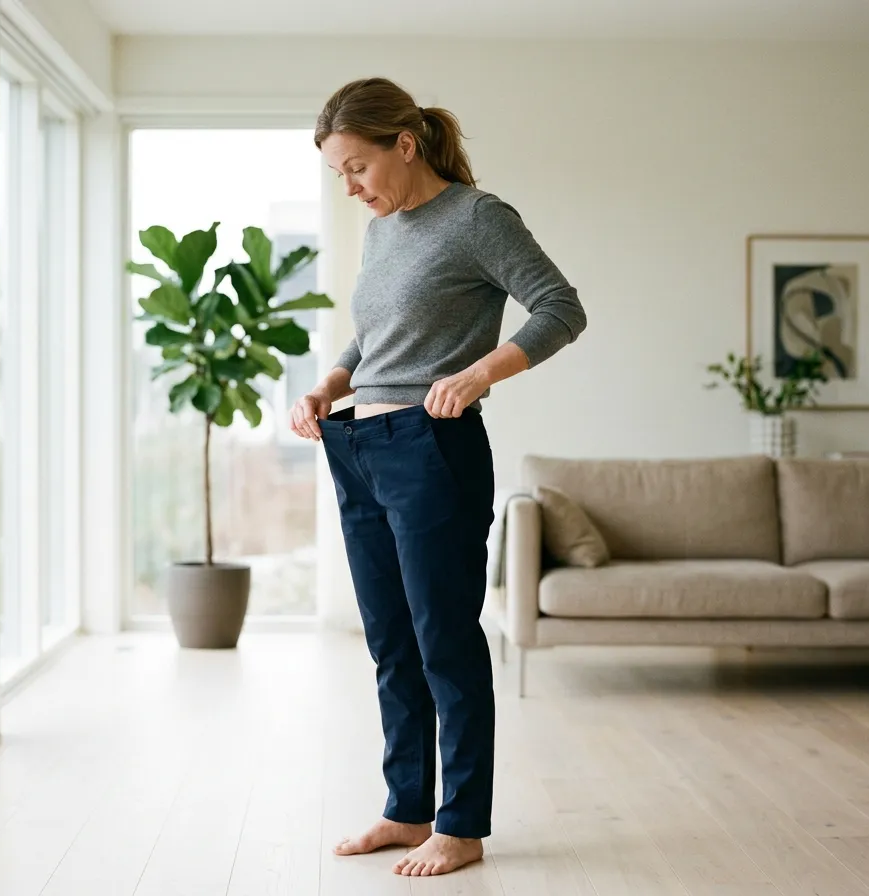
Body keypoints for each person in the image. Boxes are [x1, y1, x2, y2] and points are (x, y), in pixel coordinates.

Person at [289, 76, 587, 877]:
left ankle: (460, 824)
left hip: (434, 448)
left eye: (357, 167)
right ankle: (405, 807)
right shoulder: (385, 229)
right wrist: (329, 382)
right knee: (390, 644)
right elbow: (375, 337)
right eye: (337, 177)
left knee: (444, 640)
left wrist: (482, 372)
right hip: (359, 445)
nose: (351, 188)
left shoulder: (478, 218)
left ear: (405, 145)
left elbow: (560, 307)